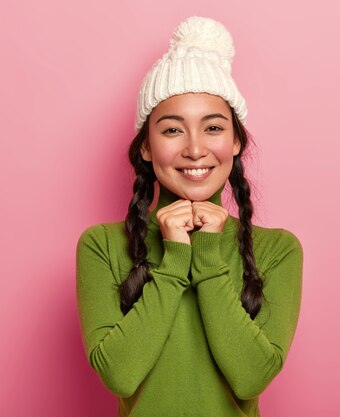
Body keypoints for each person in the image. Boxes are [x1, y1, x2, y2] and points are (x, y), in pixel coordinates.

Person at [75, 16, 304, 416]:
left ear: (235, 142)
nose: (195, 149)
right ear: (146, 146)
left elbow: (251, 378)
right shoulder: (101, 244)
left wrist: (209, 256)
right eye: (172, 130)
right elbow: (119, 375)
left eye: (213, 127)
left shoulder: (277, 249)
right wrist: (176, 257)